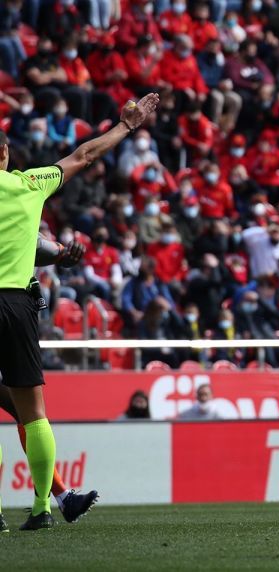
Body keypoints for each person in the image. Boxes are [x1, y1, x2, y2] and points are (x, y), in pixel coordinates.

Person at [0, 92, 158, 532]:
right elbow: (85, 154)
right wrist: (127, 126)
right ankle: (42, 507)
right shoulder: (30, 184)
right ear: (5, 154)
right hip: (16, 303)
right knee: (34, 413)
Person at [0, 236, 98, 526]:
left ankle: (60, 497)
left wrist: (60, 253)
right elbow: (38, 245)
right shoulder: (23, 196)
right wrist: (61, 253)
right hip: (18, 305)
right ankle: (56, 499)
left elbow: (37, 245)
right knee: (28, 413)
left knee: (24, 412)